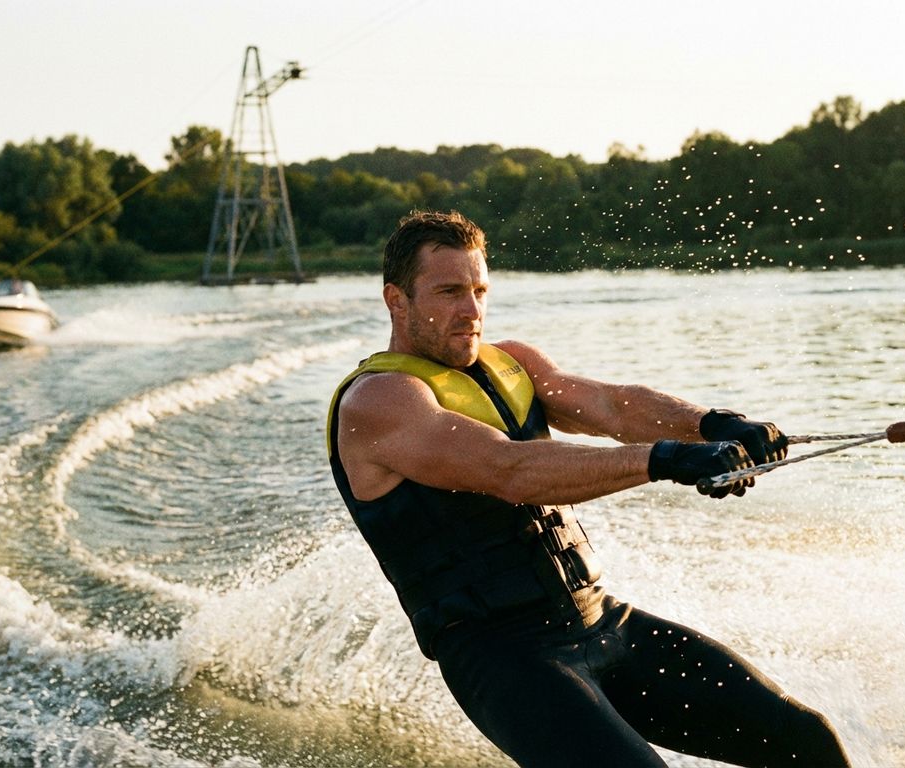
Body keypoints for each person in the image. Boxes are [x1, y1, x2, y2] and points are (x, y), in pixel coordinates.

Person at [327, 211, 851, 767]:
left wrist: (715, 426)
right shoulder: (379, 402)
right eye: (450, 292)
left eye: (480, 289)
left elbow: (610, 405)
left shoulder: (511, 364)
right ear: (397, 300)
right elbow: (510, 470)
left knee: (805, 740)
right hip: (508, 658)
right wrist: (670, 460)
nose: (472, 310)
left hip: (602, 622)